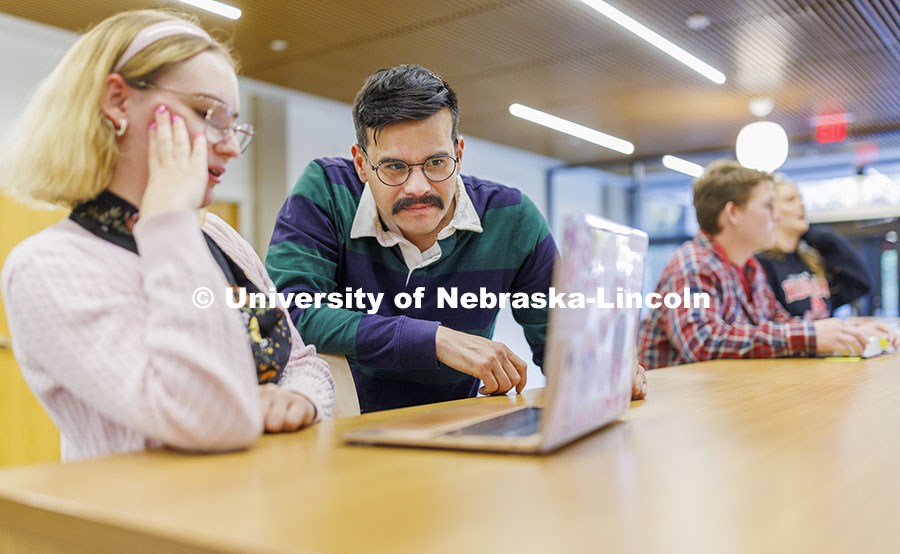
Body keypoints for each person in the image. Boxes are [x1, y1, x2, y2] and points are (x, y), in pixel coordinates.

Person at [0, 10, 333, 461]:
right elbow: (209, 419)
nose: (231, 146)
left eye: (232, 124)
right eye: (205, 113)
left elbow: (301, 362)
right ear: (118, 102)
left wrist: (299, 400)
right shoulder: (48, 266)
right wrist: (168, 223)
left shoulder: (217, 234)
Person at [266, 64, 647, 412]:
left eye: (436, 163)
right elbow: (291, 312)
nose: (417, 187)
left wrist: (602, 362)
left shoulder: (511, 218)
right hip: (345, 426)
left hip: (457, 422)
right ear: (362, 163)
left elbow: (559, 338)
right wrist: (435, 340)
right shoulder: (328, 190)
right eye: (394, 167)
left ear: (459, 153)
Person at [638, 160, 880, 370]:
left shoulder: (750, 267)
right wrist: (811, 335)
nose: (776, 216)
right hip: (680, 411)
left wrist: (844, 330)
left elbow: (780, 322)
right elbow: (703, 341)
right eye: (768, 206)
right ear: (733, 213)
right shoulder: (692, 263)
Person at [756, 178, 872, 319]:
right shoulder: (762, 263)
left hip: (825, 340)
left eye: (801, 198)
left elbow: (860, 284)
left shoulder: (811, 260)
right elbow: (771, 323)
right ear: (771, 210)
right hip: (798, 339)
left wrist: (828, 239)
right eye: (790, 200)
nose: (801, 205)